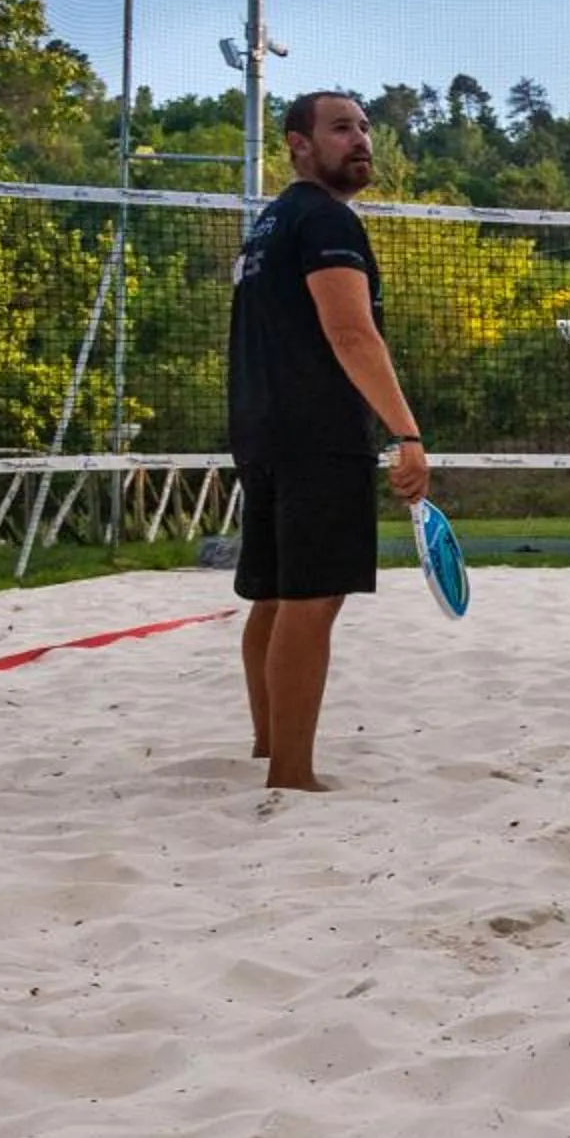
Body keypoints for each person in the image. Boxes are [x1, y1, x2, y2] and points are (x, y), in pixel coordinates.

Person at [227, 91, 429, 793]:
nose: (361, 139)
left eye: (365, 127)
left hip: (261, 430)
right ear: (299, 143)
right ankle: (292, 773)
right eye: (342, 128)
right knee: (312, 600)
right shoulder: (324, 218)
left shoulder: (270, 223)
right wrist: (406, 432)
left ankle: (269, 744)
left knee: (275, 597)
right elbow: (350, 333)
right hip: (316, 433)